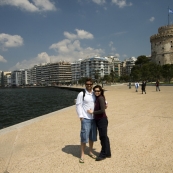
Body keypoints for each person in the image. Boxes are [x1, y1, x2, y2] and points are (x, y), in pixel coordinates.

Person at [76, 78, 97, 163]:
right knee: (84, 137)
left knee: (92, 137)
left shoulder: (94, 93)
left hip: (94, 119)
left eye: (90, 84)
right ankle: (82, 155)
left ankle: (91, 152)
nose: (89, 85)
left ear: (92, 84)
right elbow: (78, 105)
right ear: (85, 84)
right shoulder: (82, 94)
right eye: (87, 84)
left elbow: (100, 99)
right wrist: (81, 116)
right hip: (86, 118)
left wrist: (106, 103)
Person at [87, 85, 111, 161]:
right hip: (99, 120)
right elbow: (105, 104)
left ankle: (103, 154)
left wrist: (92, 112)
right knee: (104, 137)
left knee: (103, 137)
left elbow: (102, 111)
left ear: (101, 91)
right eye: (95, 91)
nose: (97, 92)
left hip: (102, 120)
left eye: (98, 91)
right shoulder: (98, 98)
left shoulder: (100, 98)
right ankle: (108, 153)